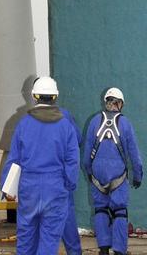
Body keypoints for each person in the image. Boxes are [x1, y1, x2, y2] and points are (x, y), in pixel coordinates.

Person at [5, 76, 80, 255]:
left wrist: (9, 189)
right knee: (49, 241)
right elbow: (72, 160)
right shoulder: (65, 125)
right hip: (55, 188)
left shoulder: (23, 123)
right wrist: (69, 184)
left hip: (29, 188)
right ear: (55, 97)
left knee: (25, 240)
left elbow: (15, 158)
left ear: (34, 96)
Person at [82, 87, 143, 255]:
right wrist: (137, 176)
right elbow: (134, 154)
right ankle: (119, 250)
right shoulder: (125, 124)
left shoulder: (94, 121)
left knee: (100, 209)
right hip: (118, 177)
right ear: (120, 104)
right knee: (120, 212)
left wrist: (89, 171)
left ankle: (103, 248)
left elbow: (87, 152)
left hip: (97, 177)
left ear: (107, 102)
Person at [58, 103, 83, 255]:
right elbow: (78, 140)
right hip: (62, 178)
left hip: (37, 183)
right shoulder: (64, 115)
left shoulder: (27, 120)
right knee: (67, 221)